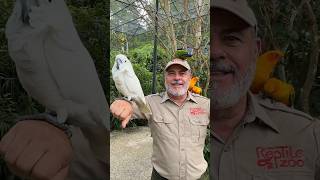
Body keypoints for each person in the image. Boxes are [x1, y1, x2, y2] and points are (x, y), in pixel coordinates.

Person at [210, 0, 320, 179]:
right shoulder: (171, 135)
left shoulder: (309, 135)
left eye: (231, 39)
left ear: (256, 50)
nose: (214, 52)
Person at [110, 58, 209, 180]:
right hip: (161, 177)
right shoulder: (151, 102)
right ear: (165, 78)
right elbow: (132, 105)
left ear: (189, 77)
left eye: (182, 73)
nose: (177, 78)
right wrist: (122, 103)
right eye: (171, 73)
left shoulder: (205, 104)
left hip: (198, 177)